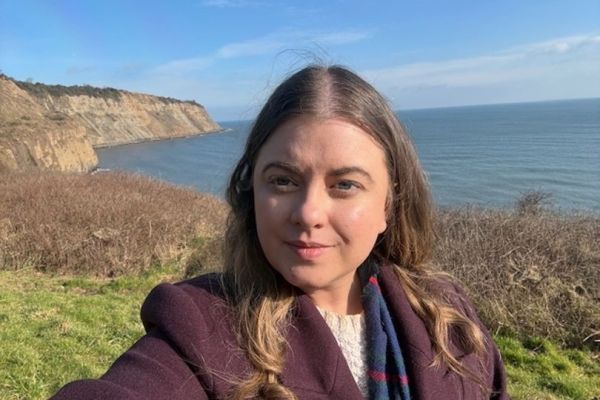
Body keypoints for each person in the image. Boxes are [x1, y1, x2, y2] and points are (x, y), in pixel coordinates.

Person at [51, 65, 508, 399]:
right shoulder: (200, 328)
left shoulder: (447, 314)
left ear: (388, 205)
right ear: (252, 190)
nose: (308, 212)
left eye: (345, 185)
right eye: (284, 180)